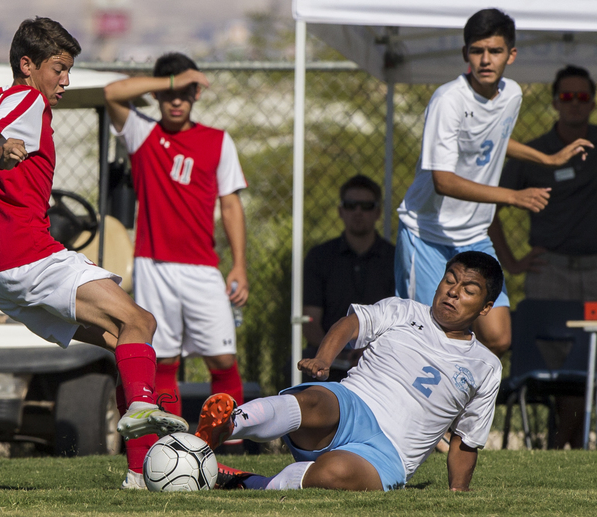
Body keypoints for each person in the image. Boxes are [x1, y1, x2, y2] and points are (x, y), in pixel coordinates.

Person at [0, 16, 188, 488]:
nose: (64, 81)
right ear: (28, 65)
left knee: (121, 340)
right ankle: (147, 415)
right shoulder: (25, 99)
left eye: (68, 71)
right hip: (29, 257)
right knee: (141, 322)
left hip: (0, 275)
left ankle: (140, 474)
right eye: (58, 69)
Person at [195, 251, 504, 491]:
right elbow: (351, 324)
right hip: (351, 406)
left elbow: (466, 439)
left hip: (388, 455)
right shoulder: (405, 311)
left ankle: (247, 482)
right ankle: (227, 425)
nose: (453, 292)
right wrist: (324, 359)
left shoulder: (486, 366)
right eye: (450, 280)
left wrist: (458, 491)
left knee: (334, 472)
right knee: (314, 399)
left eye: (469, 289)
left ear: (485, 307)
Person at [394, 8, 593, 358]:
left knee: (499, 337)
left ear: (511, 55)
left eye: (496, 51)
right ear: (465, 54)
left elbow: (491, 139)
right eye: (477, 50)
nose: (486, 59)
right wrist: (513, 196)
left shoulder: (512, 95)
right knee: (424, 342)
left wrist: (548, 159)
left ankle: (458, 394)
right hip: (426, 235)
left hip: (472, 235)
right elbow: (443, 181)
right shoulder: (448, 100)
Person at [103, 53, 249, 485]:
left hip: (203, 269)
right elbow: (111, 93)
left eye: (186, 92)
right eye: (168, 93)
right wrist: (169, 78)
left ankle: (224, 453)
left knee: (223, 360)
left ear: (196, 95)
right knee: (161, 361)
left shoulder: (218, 141)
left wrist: (239, 262)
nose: (176, 101)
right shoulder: (142, 132)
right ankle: (160, 458)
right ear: (157, 93)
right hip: (154, 267)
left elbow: (230, 204)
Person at [489, 65, 597, 449]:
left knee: (586, 361)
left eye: (582, 96)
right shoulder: (534, 153)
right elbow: (491, 210)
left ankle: (565, 443)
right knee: (554, 363)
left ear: (592, 100)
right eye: (567, 97)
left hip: (594, 272)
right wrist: (512, 263)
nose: (574, 104)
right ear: (554, 102)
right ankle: (562, 444)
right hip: (548, 270)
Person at [302, 174, 395, 380]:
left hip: (383, 361)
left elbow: (402, 318)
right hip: (328, 361)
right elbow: (310, 322)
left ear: (378, 212)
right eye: (351, 205)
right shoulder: (319, 257)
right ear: (340, 211)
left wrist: (368, 352)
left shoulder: (395, 258)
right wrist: (336, 353)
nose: (358, 212)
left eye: (367, 206)